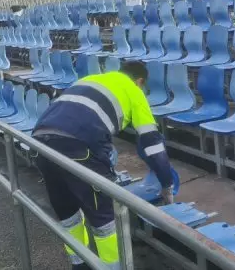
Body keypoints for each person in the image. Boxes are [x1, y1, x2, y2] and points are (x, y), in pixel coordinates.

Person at [33, 61, 174, 270]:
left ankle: (78, 265)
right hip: (78, 147)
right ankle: (112, 267)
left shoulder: (90, 80)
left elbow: (69, 115)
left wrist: (106, 151)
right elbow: (152, 145)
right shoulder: (134, 91)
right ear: (140, 81)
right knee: (104, 218)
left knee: (68, 213)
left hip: (40, 141)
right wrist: (167, 185)